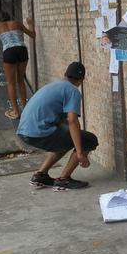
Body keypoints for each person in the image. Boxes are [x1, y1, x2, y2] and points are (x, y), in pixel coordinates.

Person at [16, 62, 98, 190]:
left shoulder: (54, 86)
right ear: (82, 80)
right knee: (89, 139)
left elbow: (64, 122)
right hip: (38, 132)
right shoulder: (72, 90)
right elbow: (72, 121)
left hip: (24, 131)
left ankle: (40, 175)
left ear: (65, 74)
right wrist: (80, 152)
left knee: (65, 137)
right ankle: (64, 180)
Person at [0, 11, 36, 119]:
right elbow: (32, 35)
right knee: (20, 80)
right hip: (22, 50)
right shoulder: (17, 23)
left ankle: (16, 112)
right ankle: (25, 109)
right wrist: (30, 23)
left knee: (11, 83)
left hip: (9, 52)